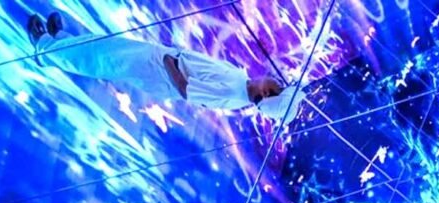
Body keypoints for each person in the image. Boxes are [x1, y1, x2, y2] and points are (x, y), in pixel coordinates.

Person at [25, 11, 307, 122]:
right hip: (161, 62)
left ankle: (45, 50)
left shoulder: (232, 95)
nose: (277, 80)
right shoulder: (240, 83)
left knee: (104, 59)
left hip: (159, 70)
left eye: (278, 87)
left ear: (266, 94)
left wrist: (169, 62)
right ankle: (62, 41)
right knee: (108, 48)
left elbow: (187, 91)